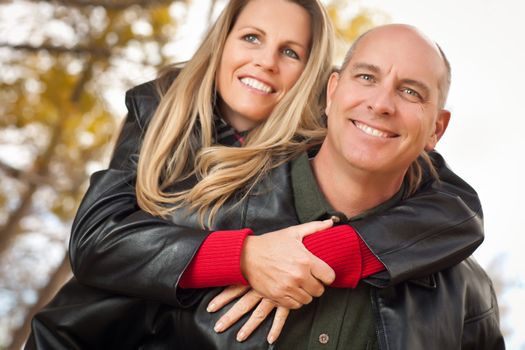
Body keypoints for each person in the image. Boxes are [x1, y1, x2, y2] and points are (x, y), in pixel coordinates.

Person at [26, 0, 484, 347]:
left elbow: (458, 209)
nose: (266, 61)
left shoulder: (324, 130)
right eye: (251, 38)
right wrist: (243, 257)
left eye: (290, 51)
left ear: (313, 79)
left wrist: (325, 251)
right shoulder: (164, 113)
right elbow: (97, 245)